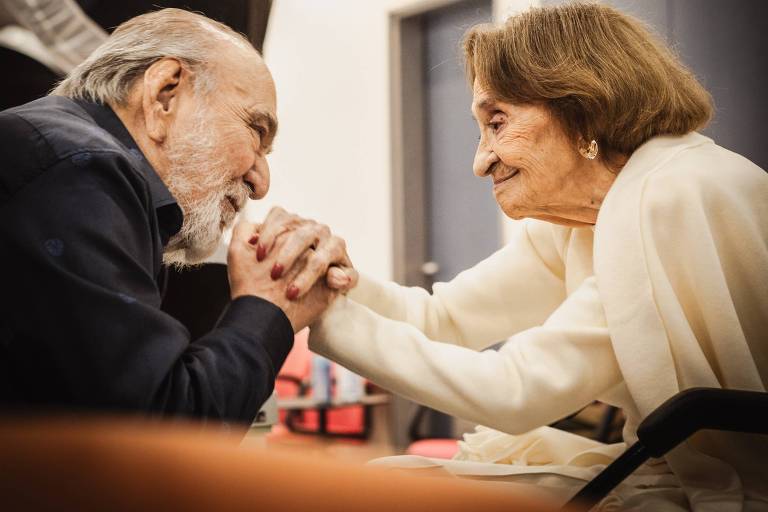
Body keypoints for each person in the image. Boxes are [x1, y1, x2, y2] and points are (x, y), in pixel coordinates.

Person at [257, 4, 768, 511]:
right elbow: (442, 318)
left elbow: (516, 391)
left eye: (497, 123)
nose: (480, 162)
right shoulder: (585, 218)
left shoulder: (667, 196)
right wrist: (329, 276)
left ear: (582, 109)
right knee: (391, 481)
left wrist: (316, 307)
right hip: (666, 462)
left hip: (737, 485)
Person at [0, 9, 354, 424]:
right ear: (165, 94)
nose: (261, 183)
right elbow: (156, 433)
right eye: (256, 132)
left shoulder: (65, 156)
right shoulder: (82, 169)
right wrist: (268, 305)